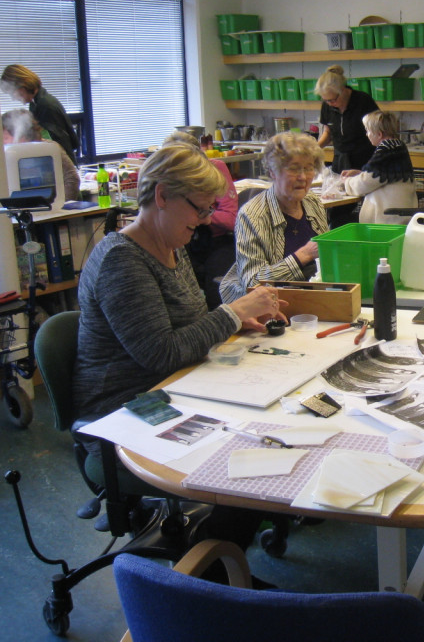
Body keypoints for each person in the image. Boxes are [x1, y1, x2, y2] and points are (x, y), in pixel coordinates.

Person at [71, 144, 287, 553]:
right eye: (200, 208)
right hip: (128, 407)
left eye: (209, 209)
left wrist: (234, 321)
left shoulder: (172, 245)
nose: (205, 220)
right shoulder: (122, 261)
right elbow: (162, 353)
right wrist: (232, 313)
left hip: (177, 386)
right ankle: (210, 563)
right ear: (162, 196)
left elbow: (190, 326)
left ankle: (218, 550)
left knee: (273, 422)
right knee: (248, 458)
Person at [219, 132, 329, 303]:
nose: (303, 177)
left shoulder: (312, 201)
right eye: (294, 168)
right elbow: (253, 283)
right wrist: (302, 256)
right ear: (272, 172)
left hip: (314, 297)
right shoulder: (252, 215)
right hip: (270, 305)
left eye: (308, 168)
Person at [162, 130, 239, 309]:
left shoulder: (215, 169)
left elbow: (231, 219)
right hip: (183, 241)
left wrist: (201, 213)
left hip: (215, 241)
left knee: (216, 294)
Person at [340, 111, 418, 224]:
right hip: (400, 216)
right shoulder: (398, 146)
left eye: (368, 131)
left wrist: (346, 182)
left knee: (340, 221)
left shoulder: (386, 150)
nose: (367, 134)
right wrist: (361, 173)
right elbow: (383, 175)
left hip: (388, 220)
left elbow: (364, 184)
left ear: (379, 134)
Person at [0, 64, 78, 162]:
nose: (13, 98)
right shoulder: (36, 103)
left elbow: (58, 143)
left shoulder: (46, 105)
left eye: (12, 92)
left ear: (22, 86)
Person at [1, 108, 81, 202]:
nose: (3, 142)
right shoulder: (8, 154)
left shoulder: (49, 149)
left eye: (5, 138)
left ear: (22, 134)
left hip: (55, 206)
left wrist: (59, 205)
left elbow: (72, 179)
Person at [314, 65, 379, 173]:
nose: (330, 104)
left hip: (365, 160)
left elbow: (379, 132)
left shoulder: (363, 101)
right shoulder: (327, 106)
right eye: (326, 100)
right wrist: (314, 148)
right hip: (340, 160)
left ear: (343, 90)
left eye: (333, 100)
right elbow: (328, 132)